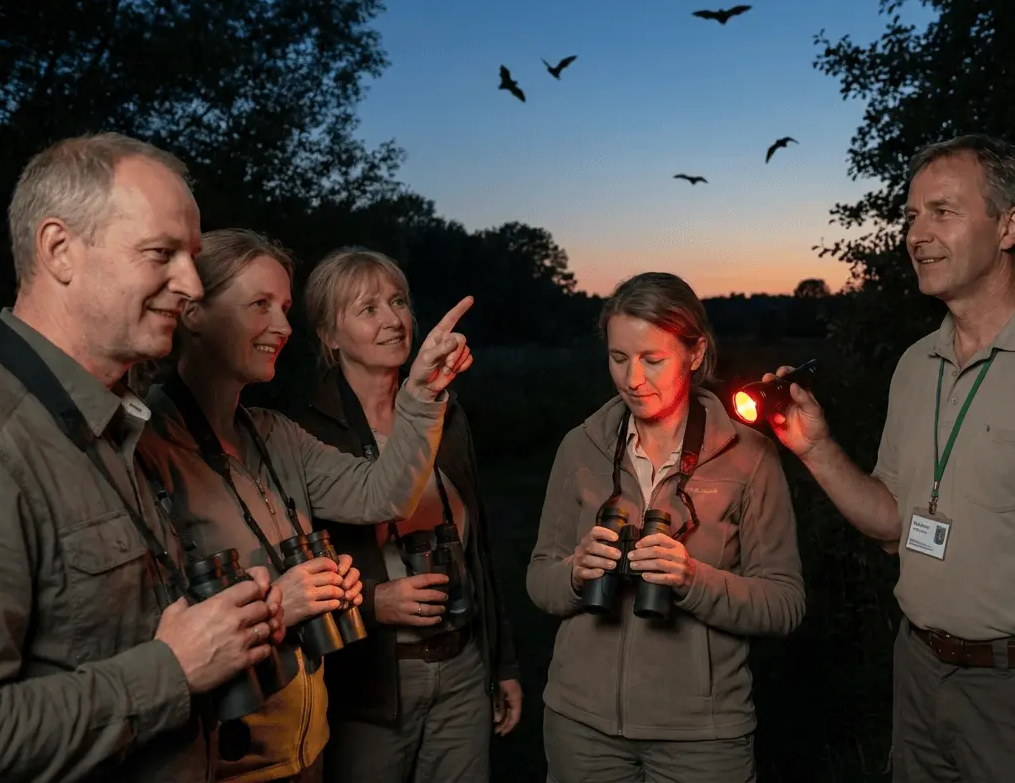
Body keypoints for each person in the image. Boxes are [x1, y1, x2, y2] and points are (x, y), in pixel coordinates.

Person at [763, 134, 1015, 782]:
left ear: (1010, 225)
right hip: (921, 675)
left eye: (943, 212)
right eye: (910, 216)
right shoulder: (914, 365)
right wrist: (815, 449)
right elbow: (893, 524)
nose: (916, 234)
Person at [0, 133, 285, 782]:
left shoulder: (112, 423)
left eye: (192, 256)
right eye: (162, 254)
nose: (190, 284)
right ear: (59, 250)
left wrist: (222, 621)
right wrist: (172, 671)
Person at [134, 230, 475, 783]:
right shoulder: (142, 446)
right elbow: (135, 631)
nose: (285, 327)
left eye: (286, 308)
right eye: (260, 305)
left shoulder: (273, 434)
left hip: (305, 748)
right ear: (193, 312)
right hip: (219, 762)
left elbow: (383, 494)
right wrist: (279, 606)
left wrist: (419, 395)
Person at [527, 271, 806, 783]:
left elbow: (784, 605)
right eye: (618, 358)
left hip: (702, 739)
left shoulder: (750, 458)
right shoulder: (579, 447)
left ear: (695, 353)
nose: (633, 378)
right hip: (581, 729)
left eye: (652, 359)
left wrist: (691, 579)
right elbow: (539, 579)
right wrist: (574, 572)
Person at [289, 247, 522, 783]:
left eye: (398, 301)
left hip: (463, 670)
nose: (394, 320)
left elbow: (478, 548)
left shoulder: (446, 412)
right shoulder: (304, 433)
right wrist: (373, 602)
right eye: (367, 309)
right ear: (329, 335)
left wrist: (502, 662)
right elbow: (289, 571)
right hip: (370, 686)